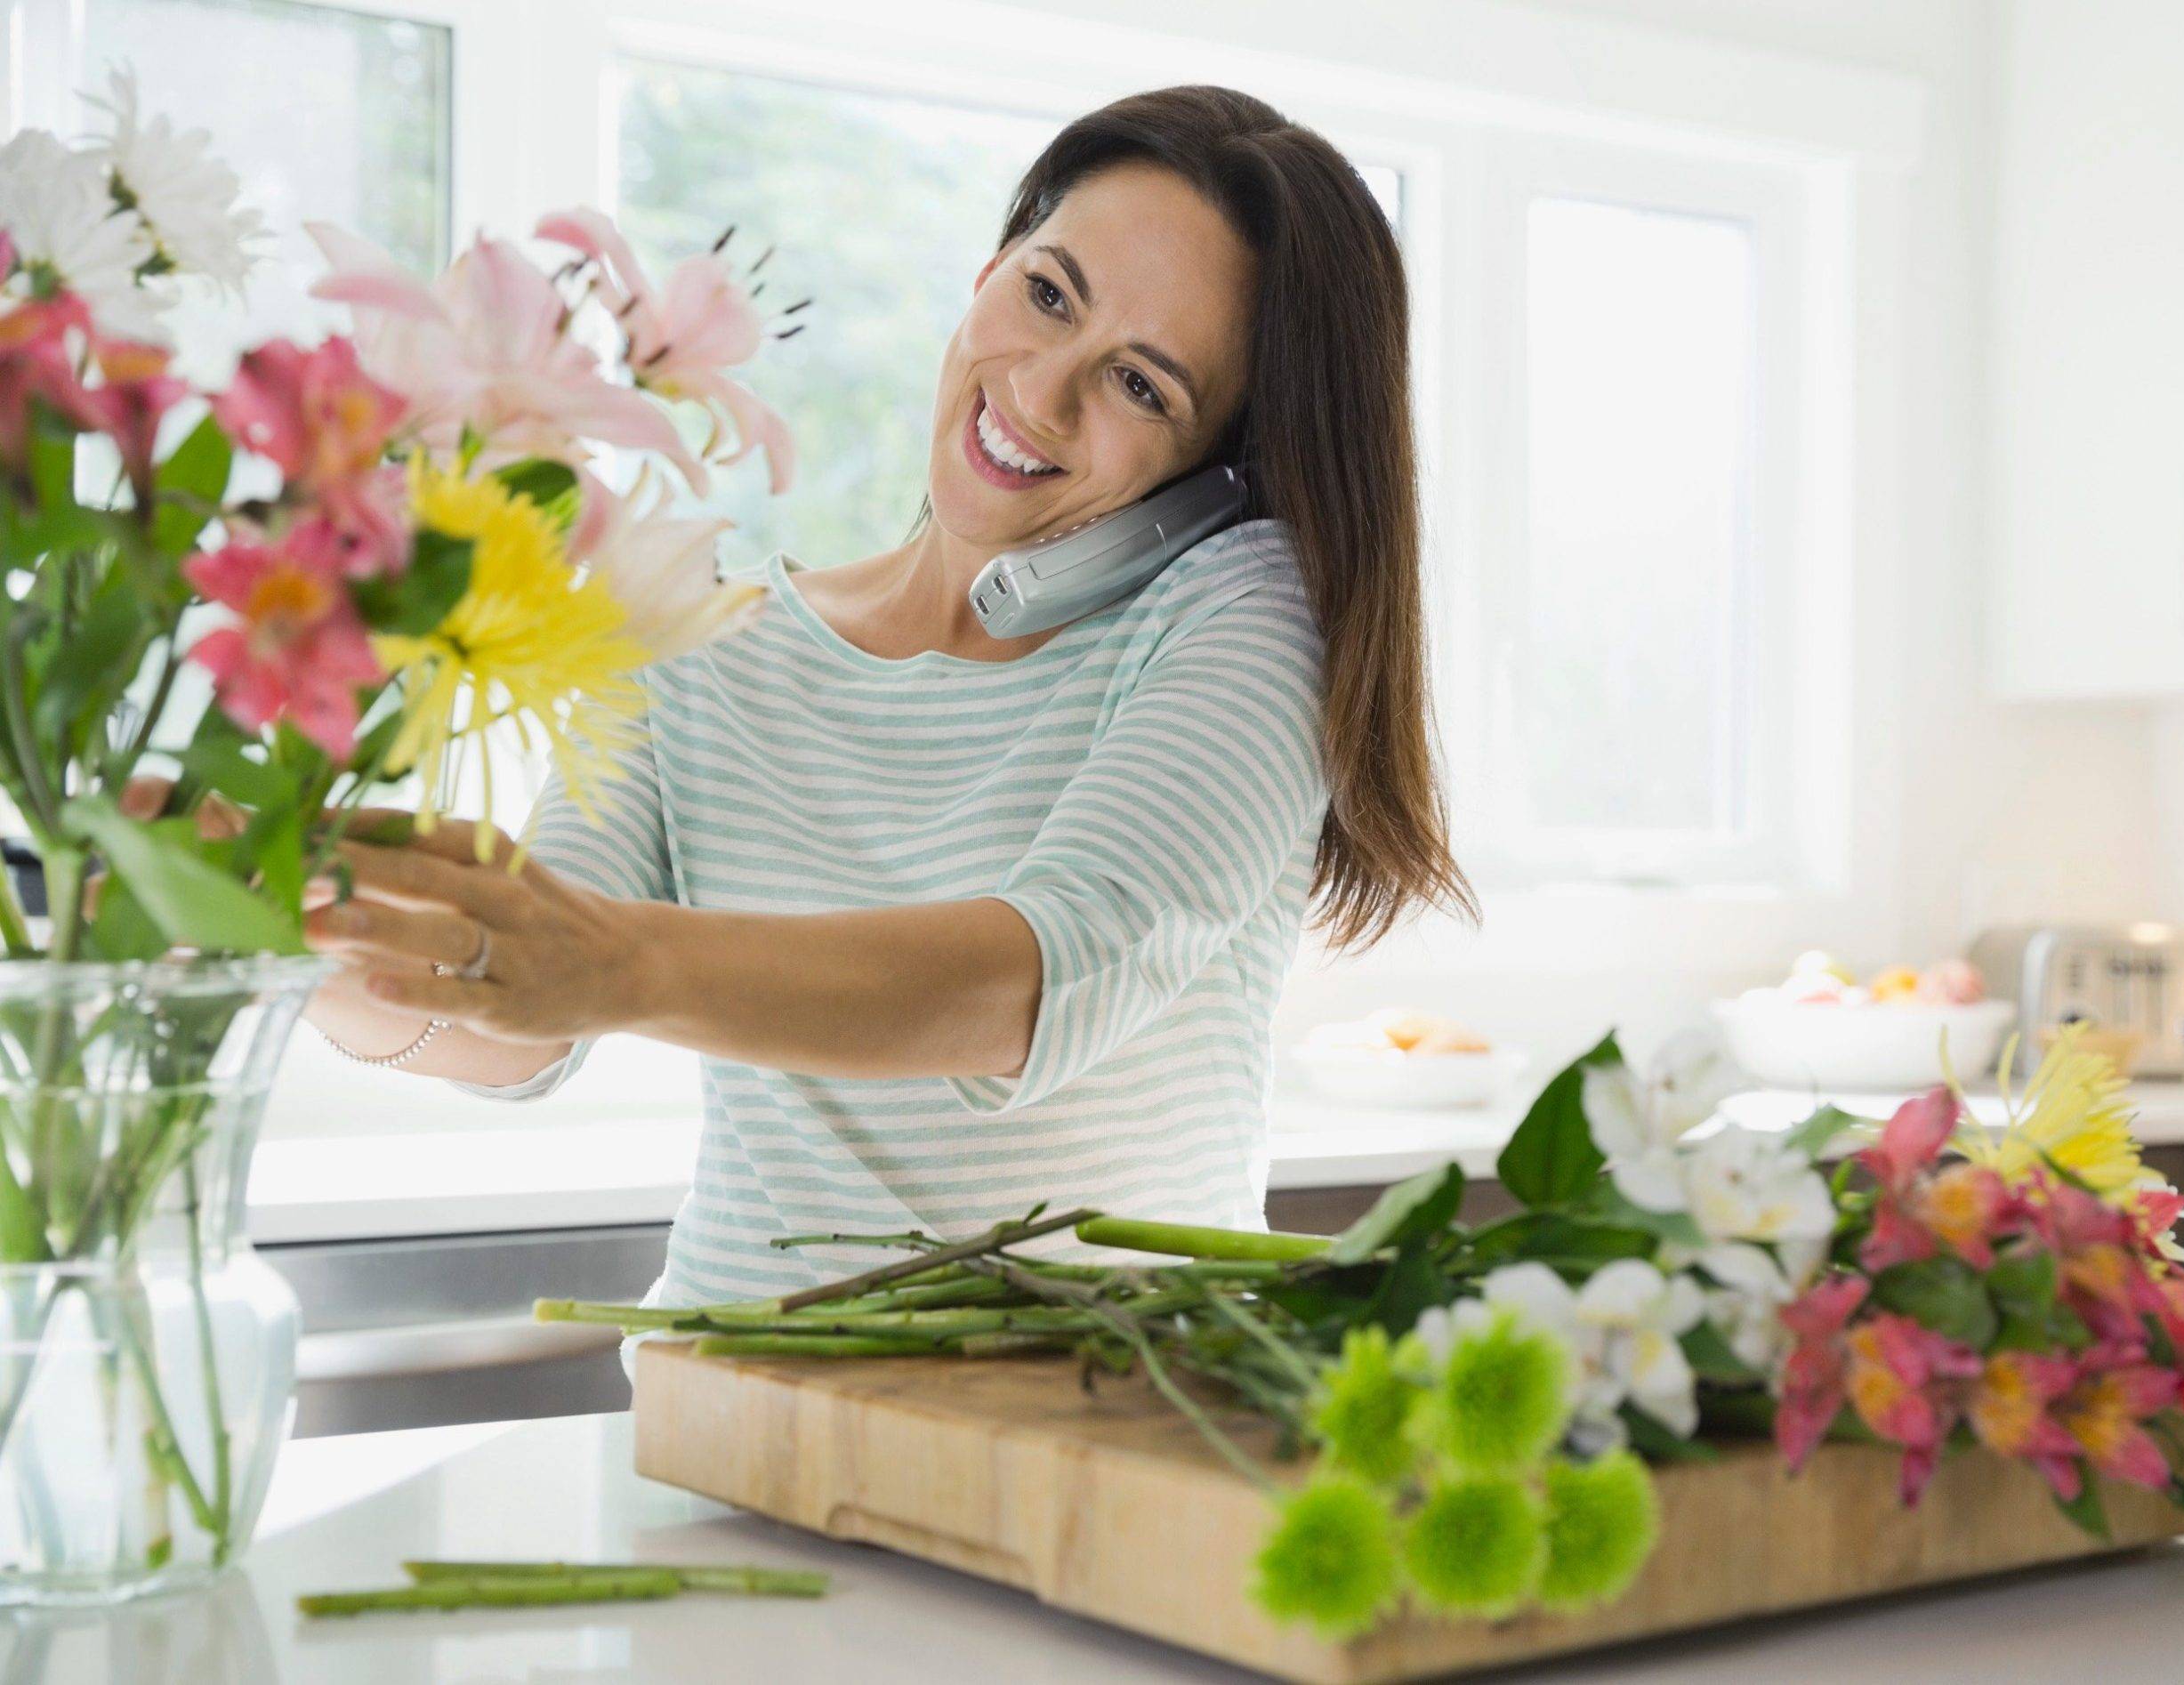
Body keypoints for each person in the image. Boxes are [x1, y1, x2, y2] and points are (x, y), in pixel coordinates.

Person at [301, 85, 1474, 1309]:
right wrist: (292, 932)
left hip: (1101, 1438)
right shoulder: (700, 628)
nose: (1042, 390)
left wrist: (618, 961)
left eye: (1143, 385)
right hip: (730, 1402)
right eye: (1048, 293)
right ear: (988, 272)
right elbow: (518, 1033)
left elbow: (1035, 978)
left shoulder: (1242, 612)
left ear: (1223, 465)